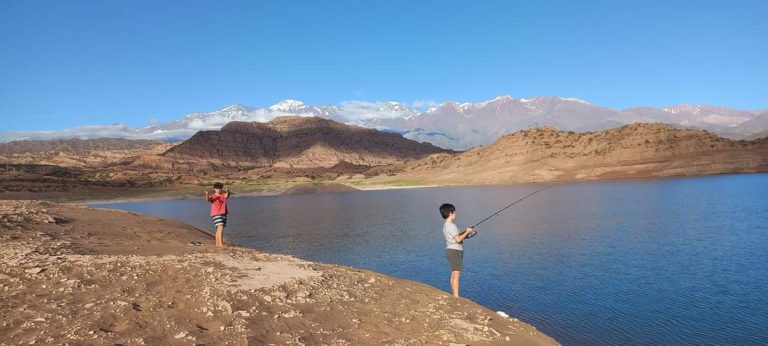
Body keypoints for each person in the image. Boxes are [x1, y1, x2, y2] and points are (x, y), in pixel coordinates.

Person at [439, 203, 476, 298]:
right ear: (450, 213)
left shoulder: (446, 225)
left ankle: (454, 294)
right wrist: (467, 231)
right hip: (455, 251)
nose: (455, 214)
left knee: (454, 273)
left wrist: (468, 234)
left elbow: (458, 238)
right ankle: (456, 296)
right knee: (456, 274)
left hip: (451, 250)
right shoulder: (451, 226)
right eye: (454, 212)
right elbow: (458, 239)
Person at [204, 182, 230, 247]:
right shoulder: (212, 196)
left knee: (219, 229)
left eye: (220, 189)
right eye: (217, 189)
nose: (219, 190)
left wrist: (228, 191)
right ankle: (221, 244)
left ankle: (217, 244)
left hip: (224, 213)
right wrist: (207, 195)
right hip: (216, 214)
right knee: (220, 228)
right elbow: (208, 199)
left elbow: (227, 195)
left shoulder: (223, 195)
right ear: (214, 189)